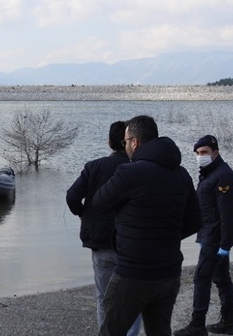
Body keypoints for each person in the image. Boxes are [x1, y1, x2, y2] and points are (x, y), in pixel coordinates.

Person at [91, 115, 202, 336]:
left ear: (135, 142)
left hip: (133, 271)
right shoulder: (181, 174)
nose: (125, 147)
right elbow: (195, 221)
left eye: (125, 142)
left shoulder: (130, 172)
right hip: (168, 272)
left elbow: (99, 202)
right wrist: (164, 237)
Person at [66, 121, 142, 335]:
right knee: (132, 300)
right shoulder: (137, 169)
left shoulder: (94, 166)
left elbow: (72, 196)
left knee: (103, 297)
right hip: (130, 245)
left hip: (101, 243)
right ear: (131, 143)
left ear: (109, 142)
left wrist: (83, 214)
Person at [174, 135, 233, 336]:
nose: (200, 156)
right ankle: (228, 323)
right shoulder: (210, 173)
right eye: (198, 153)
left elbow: (226, 212)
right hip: (209, 234)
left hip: (216, 237)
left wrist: (225, 244)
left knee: (201, 278)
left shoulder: (223, 176)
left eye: (204, 153)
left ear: (215, 153)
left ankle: (197, 325)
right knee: (221, 278)